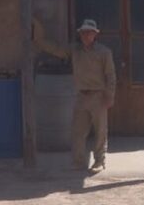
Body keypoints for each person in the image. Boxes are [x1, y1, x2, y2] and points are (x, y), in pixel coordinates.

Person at [32, 18, 116, 173]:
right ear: (80, 34)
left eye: (89, 33)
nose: (86, 36)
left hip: (98, 96)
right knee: (78, 131)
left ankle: (99, 161)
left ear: (95, 34)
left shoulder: (104, 52)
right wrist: (39, 39)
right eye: (83, 33)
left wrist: (110, 95)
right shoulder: (74, 50)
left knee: (100, 131)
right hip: (81, 96)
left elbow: (110, 75)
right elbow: (55, 49)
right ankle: (78, 162)